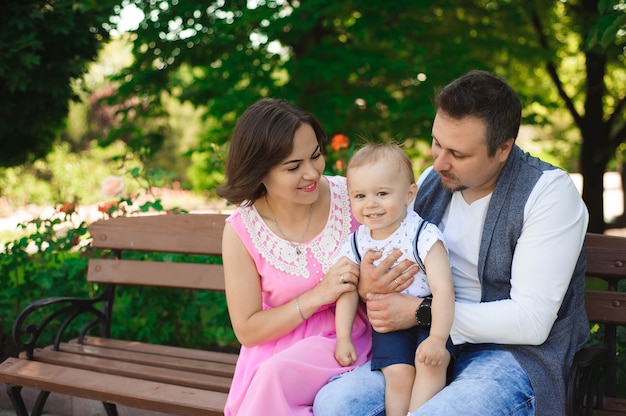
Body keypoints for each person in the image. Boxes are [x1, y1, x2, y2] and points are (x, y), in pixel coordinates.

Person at [313, 70, 589, 416]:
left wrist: (420, 313)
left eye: (457, 154)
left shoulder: (547, 193)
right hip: (423, 344)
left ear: (503, 148)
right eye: (437, 143)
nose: (439, 161)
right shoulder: (432, 180)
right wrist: (370, 284)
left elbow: (530, 322)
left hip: (511, 355)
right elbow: (393, 252)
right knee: (336, 404)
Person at [216, 98, 372, 416]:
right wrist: (318, 295)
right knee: (272, 378)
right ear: (259, 171)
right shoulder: (241, 231)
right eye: (293, 166)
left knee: (276, 381)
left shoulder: (352, 198)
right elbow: (247, 329)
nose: (312, 172)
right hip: (275, 351)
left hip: (348, 337)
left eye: (316, 156)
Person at [332, 143, 455, 416]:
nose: (371, 204)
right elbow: (347, 289)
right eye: (360, 195)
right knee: (398, 374)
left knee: (430, 362)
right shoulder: (356, 241)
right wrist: (344, 338)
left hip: (431, 319)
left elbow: (444, 290)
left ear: (409, 194)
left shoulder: (422, 234)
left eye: (382, 193)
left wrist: (437, 338)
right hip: (389, 324)